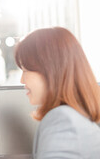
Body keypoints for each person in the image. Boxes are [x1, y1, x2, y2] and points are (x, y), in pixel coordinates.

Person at [15, 27, 100, 158]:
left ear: (51, 71)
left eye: (26, 70)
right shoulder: (79, 116)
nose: (22, 80)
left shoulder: (62, 119)